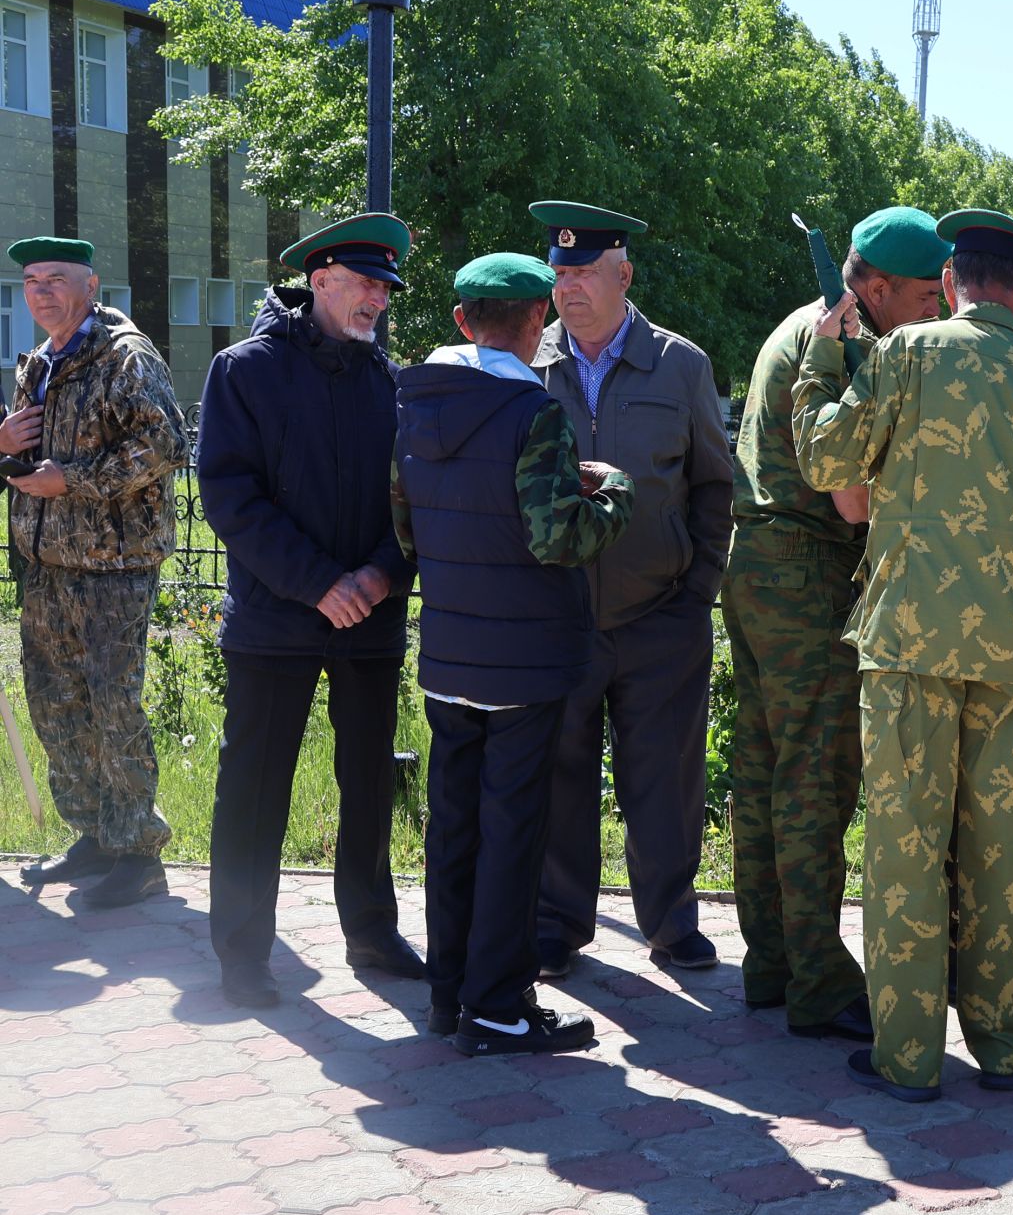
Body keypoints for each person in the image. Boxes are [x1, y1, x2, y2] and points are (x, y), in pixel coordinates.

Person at [794, 208, 1013, 1102]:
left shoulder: (906, 355)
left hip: (908, 647)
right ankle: (1007, 1046)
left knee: (905, 850)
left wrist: (823, 360)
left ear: (955, 278)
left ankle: (909, 1057)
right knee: (1004, 849)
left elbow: (826, 461)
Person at [392, 252, 634, 1055]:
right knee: (513, 832)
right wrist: (614, 496)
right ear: (538, 323)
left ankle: (447, 991)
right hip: (524, 661)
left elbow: (406, 530)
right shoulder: (532, 413)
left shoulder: (414, 404)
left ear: (462, 321)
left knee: (452, 826)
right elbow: (555, 535)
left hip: (452, 651)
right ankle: (497, 1006)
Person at [726, 206, 949, 1040]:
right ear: (879, 286)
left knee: (763, 774)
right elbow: (853, 504)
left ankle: (772, 962)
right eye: (928, 296)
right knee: (815, 781)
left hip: (754, 563)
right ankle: (819, 982)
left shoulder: (803, 324)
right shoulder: (847, 343)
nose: (939, 311)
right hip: (808, 574)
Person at [199, 214, 423, 1009]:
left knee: (369, 780)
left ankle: (371, 931)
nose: (377, 301)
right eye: (365, 284)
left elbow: (416, 504)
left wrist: (381, 575)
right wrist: (319, 582)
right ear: (319, 278)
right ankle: (243, 953)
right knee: (256, 787)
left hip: (368, 619)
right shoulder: (244, 372)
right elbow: (229, 497)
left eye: (386, 289)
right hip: (275, 619)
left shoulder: (392, 384)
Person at [526, 201, 732, 978]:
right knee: (560, 774)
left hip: (660, 617)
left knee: (667, 780)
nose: (568, 288)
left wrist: (696, 594)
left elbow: (716, 489)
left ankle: (673, 922)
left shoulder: (681, 366)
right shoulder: (530, 364)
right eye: (560, 273)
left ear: (624, 274)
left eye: (584, 273)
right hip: (561, 617)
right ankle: (557, 923)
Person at [4, 236, 189, 909]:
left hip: (112, 566)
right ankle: (95, 836)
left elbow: (166, 444)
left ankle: (138, 852)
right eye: (30, 281)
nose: (41, 291)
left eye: (56, 279)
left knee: (114, 708)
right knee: (59, 708)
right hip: (48, 563)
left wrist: (72, 481)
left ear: (91, 286)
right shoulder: (42, 364)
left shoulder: (124, 356)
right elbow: (30, 460)